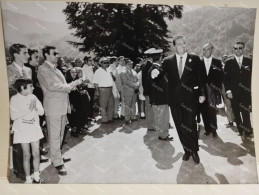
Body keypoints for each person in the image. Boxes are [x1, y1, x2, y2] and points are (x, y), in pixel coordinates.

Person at [151, 36, 205, 164]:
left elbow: (200, 78)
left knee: (191, 125)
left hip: (190, 98)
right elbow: (159, 72)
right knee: (180, 126)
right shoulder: (168, 60)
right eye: (179, 43)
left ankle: (194, 150)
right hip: (174, 99)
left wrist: (202, 93)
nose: (182, 45)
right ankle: (187, 150)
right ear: (175, 46)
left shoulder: (195, 58)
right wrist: (153, 72)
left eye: (184, 42)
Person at [37, 46, 83, 175]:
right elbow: (52, 86)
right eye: (54, 53)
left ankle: (56, 157)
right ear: (46, 55)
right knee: (55, 136)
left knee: (60, 134)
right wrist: (73, 84)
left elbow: (61, 86)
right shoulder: (43, 69)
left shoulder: (55, 68)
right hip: (53, 107)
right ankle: (57, 162)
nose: (57, 55)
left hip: (61, 106)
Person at [10, 78, 44, 183]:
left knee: (36, 153)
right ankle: (28, 178)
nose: (33, 88)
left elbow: (42, 112)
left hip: (34, 128)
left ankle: (36, 176)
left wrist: (36, 108)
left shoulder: (33, 96)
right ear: (22, 87)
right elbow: (13, 116)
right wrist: (29, 109)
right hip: (22, 130)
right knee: (26, 155)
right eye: (31, 86)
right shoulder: (14, 99)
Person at [24, 48, 49, 163]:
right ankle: (35, 156)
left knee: (38, 127)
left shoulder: (34, 69)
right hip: (32, 105)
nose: (38, 59)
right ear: (28, 58)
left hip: (39, 103)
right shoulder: (27, 70)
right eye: (36, 57)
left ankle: (39, 149)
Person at [224, 41, 253, 138]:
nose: (238, 50)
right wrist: (228, 91)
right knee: (236, 111)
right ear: (233, 49)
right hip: (234, 93)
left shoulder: (249, 61)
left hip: (245, 92)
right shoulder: (228, 62)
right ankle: (241, 130)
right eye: (236, 48)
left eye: (240, 48)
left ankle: (248, 131)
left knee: (246, 112)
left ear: (243, 48)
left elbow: (253, 77)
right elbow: (225, 78)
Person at [199, 43, 223, 138]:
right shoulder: (198, 62)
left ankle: (214, 130)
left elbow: (220, 77)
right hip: (202, 91)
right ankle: (207, 129)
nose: (206, 51)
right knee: (204, 110)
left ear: (211, 50)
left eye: (208, 49)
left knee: (212, 111)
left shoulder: (217, 62)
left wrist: (217, 91)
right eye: (204, 49)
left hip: (213, 91)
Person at [148, 59, 173, 141]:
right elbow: (157, 84)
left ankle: (163, 134)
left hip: (160, 99)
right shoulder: (155, 69)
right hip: (160, 99)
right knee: (162, 118)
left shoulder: (156, 69)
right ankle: (163, 135)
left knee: (162, 118)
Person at [93, 57, 114, 124]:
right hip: (102, 89)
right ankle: (104, 119)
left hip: (110, 88)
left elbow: (114, 79)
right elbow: (95, 83)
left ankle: (110, 118)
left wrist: (112, 75)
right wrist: (97, 91)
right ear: (100, 63)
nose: (106, 64)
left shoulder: (109, 70)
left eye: (107, 62)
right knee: (103, 105)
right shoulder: (98, 71)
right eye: (104, 62)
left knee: (111, 104)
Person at [121, 59, 140, 124]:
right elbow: (125, 81)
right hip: (127, 91)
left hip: (134, 91)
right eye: (129, 64)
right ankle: (127, 118)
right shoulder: (123, 72)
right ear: (125, 65)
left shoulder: (134, 71)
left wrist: (138, 84)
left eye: (131, 64)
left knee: (133, 104)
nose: (130, 65)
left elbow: (138, 79)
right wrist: (134, 85)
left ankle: (133, 116)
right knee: (127, 105)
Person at [221, 55, 235, 128]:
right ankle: (230, 121)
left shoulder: (232, 68)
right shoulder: (221, 68)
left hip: (230, 89)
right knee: (228, 106)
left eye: (226, 58)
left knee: (232, 106)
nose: (225, 60)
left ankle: (232, 120)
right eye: (223, 58)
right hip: (224, 89)